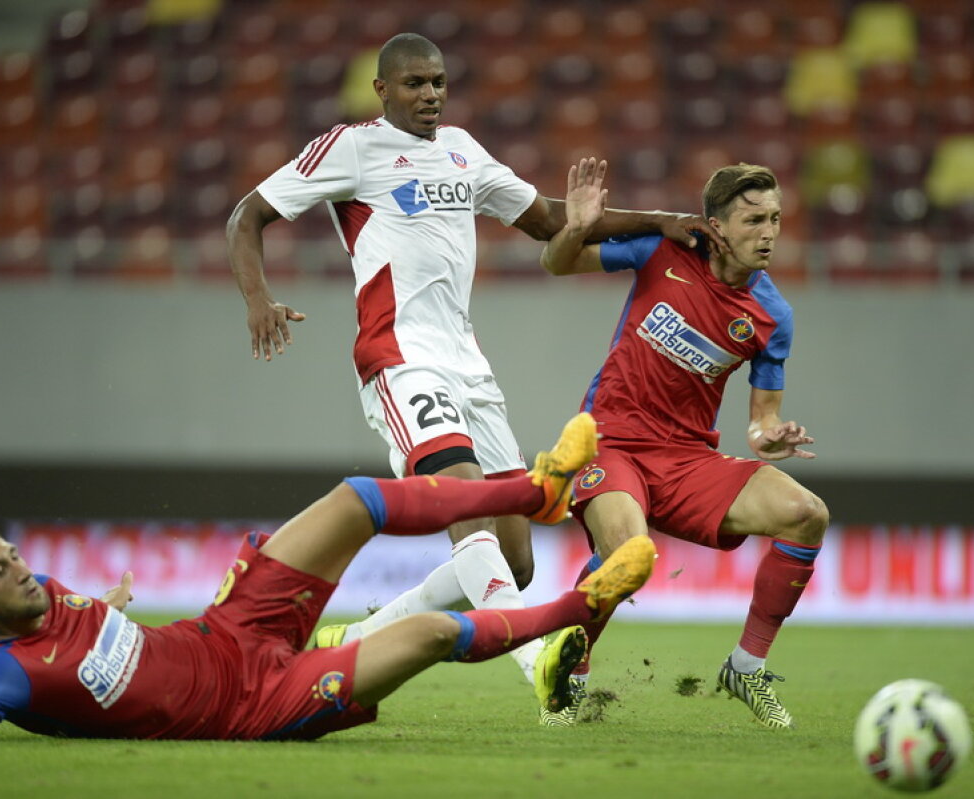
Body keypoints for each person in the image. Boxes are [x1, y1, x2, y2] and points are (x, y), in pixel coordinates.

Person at [225, 30, 725, 720]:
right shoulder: (351, 147)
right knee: (467, 511)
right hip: (400, 357)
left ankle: (358, 640)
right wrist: (258, 299)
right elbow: (247, 214)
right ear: (382, 90)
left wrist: (659, 221)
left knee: (512, 561)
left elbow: (550, 220)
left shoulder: (464, 151)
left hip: (469, 366)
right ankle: (538, 664)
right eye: (414, 84)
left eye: (437, 83)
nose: (429, 94)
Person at [0, 414, 656, 743]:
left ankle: (536, 490)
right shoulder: (8, 676)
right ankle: (578, 604)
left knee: (354, 499)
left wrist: (113, 604)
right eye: (0, 571)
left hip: (227, 629)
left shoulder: (48, 596)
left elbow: (91, 627)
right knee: (429, 633)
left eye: (14, 554)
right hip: (250, 704)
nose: (22, 571)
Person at [538, 158, 829, 729]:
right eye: (752, 220)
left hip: (688, 458)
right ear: (715, 224)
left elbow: (760, 421)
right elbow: (557, 263)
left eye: (774, 219)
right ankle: (569, 679)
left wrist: (772, 436)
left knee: (806, 514)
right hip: (611, 440)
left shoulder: (773, 315)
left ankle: (746, 667)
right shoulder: (661, 252)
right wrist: (575, 226)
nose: (767, 233)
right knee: (628, 554)